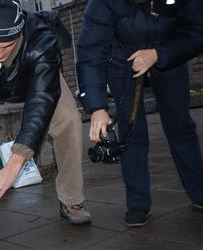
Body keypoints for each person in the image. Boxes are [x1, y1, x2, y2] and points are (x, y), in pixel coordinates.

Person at [0, 0, 90, 224]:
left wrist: (14, 165)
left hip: (37, 83)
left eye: (6, 47)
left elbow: (41, 100)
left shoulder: (42, 37)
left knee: (69, 120)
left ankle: (71, 199)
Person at [77, 0, 203, 226]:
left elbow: (197, 31)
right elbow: (91, 50)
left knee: (180, 124)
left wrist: (159, 53)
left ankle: (199, 191)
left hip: (169, 48)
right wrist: (97, 107)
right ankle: (137, 203)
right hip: (122, 56)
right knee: (131, 131)